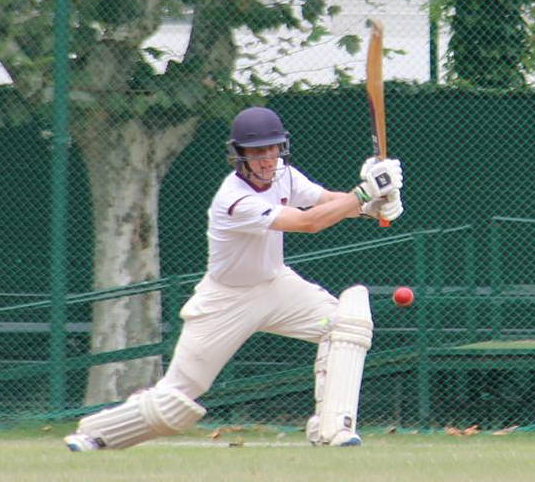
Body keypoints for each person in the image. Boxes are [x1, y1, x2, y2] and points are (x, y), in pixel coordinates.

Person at [64, 105, 402, 452]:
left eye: (273, 149)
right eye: (258, 152)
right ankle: (95, 433)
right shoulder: (234, 200)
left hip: (276, 287)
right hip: (226, 300)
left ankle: (333, 429)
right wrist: (363, 193)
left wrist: (371, 205)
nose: (267, 159)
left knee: (346, 325)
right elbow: (309, 222)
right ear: (239, 154)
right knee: (176, 400)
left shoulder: (284, 174)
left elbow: (327, 201)